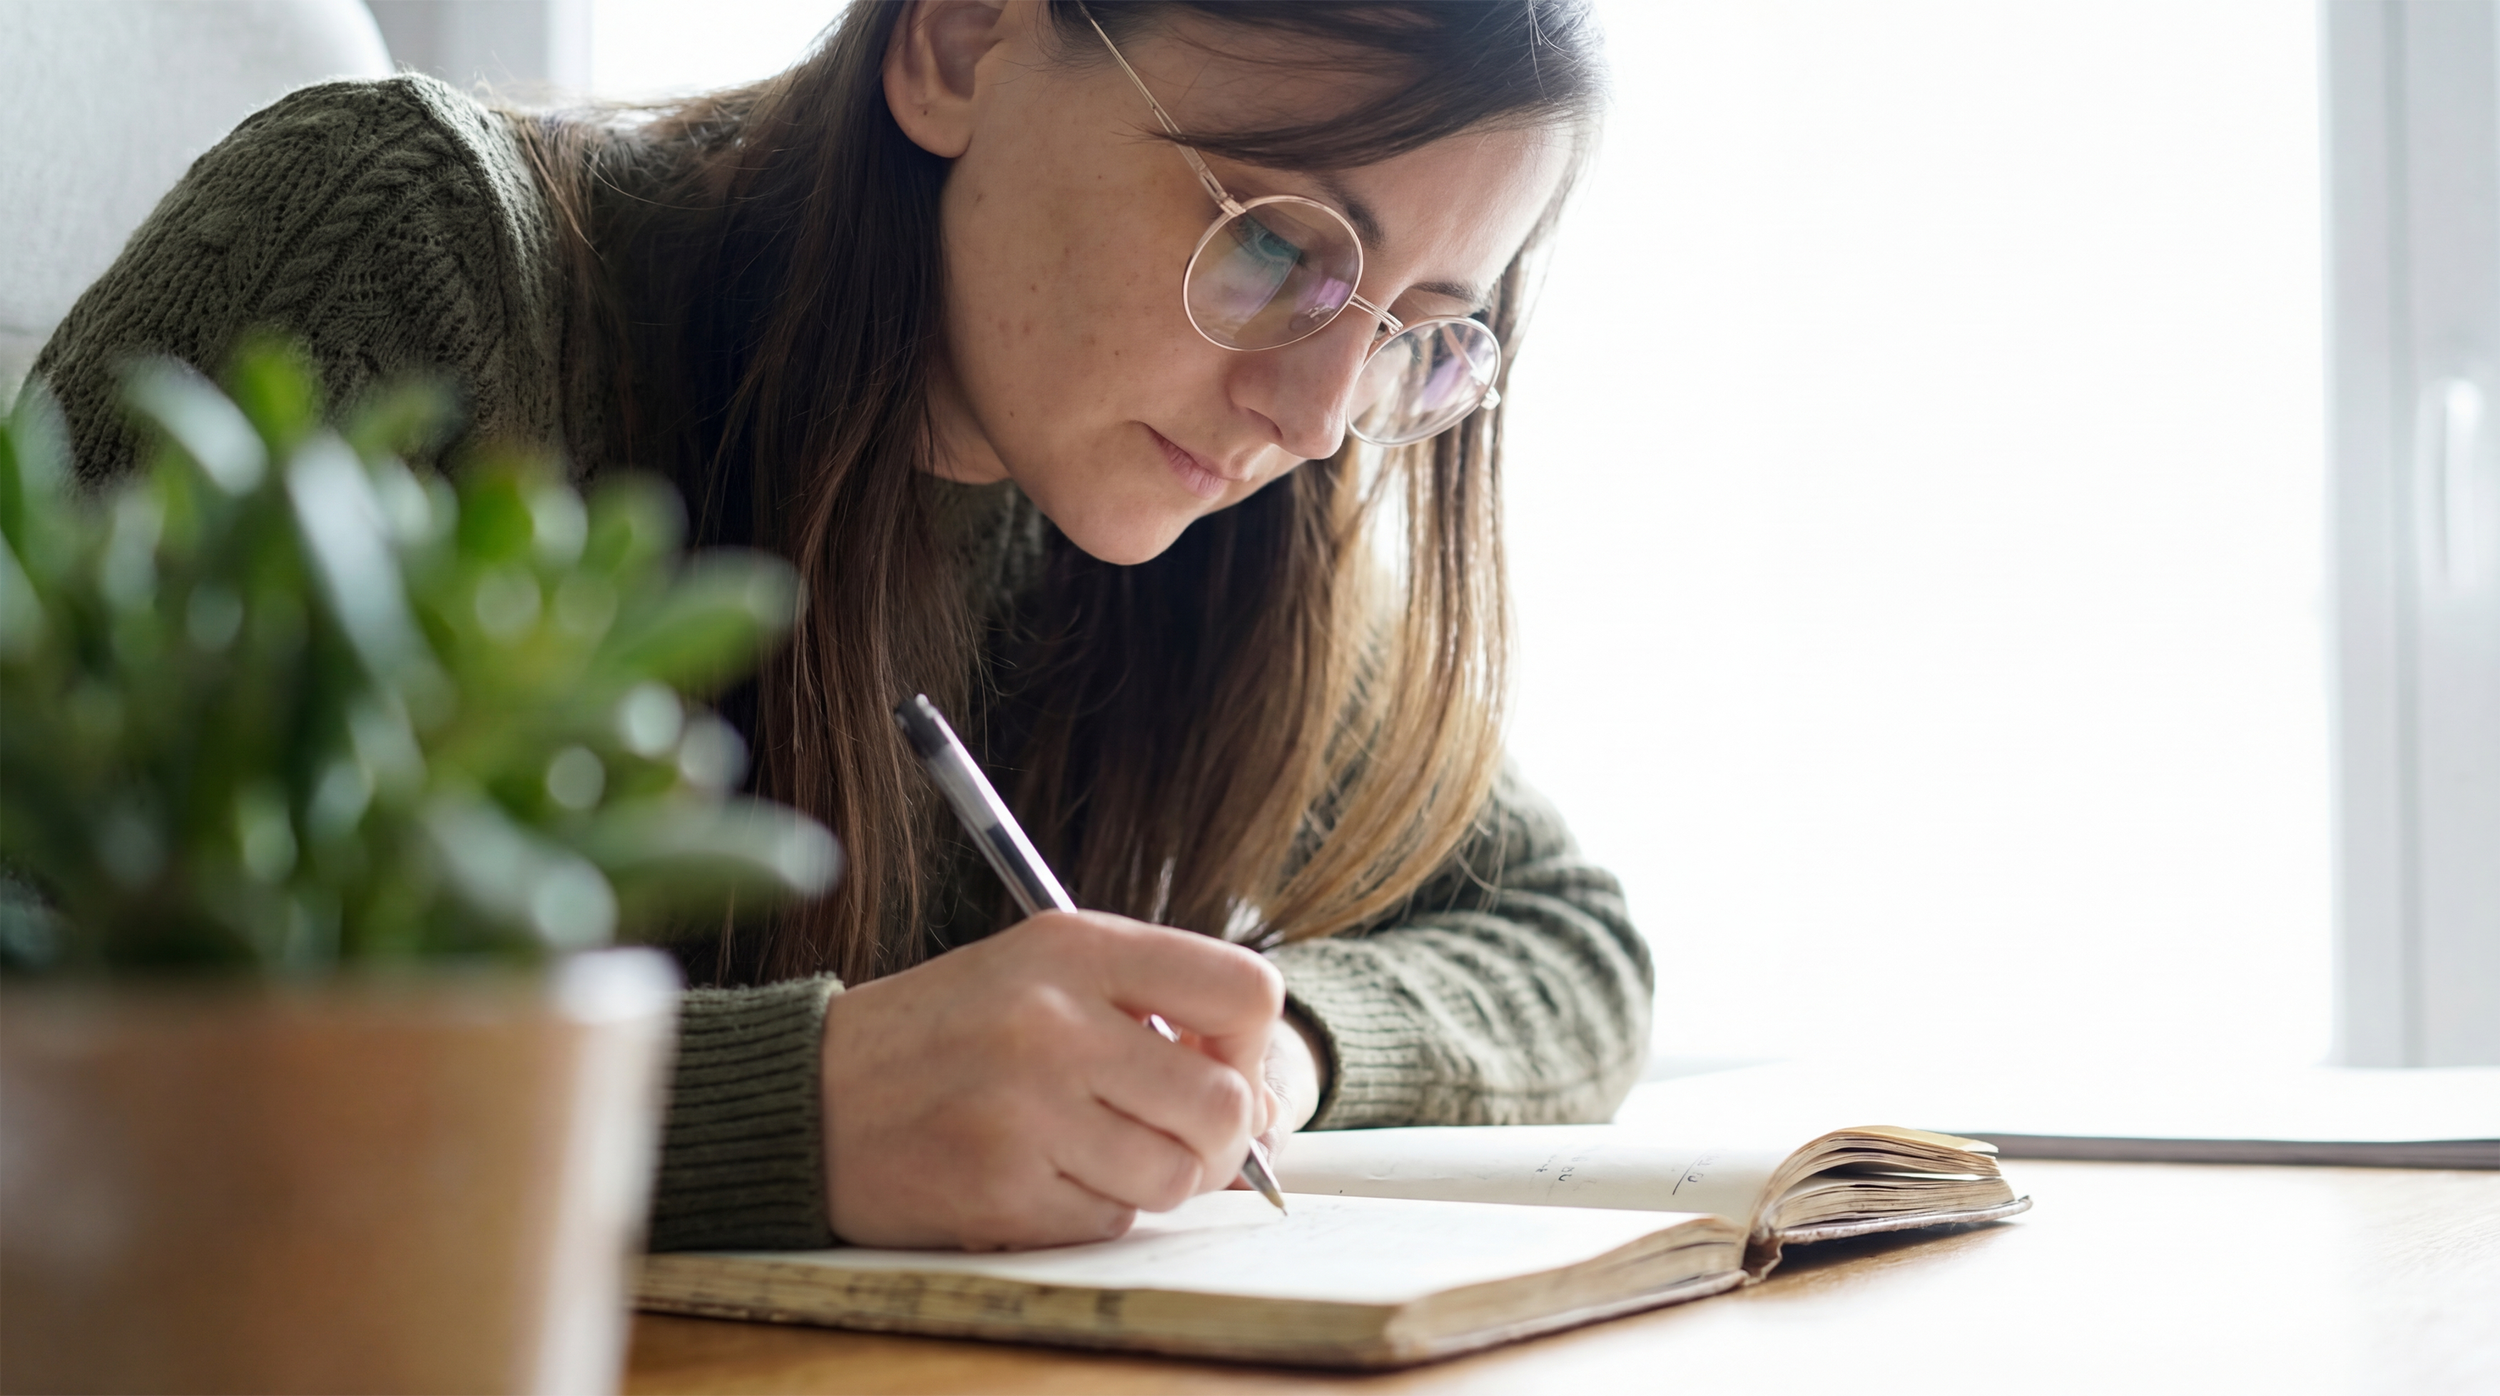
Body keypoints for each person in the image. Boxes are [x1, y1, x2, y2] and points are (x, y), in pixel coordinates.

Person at [30, 0, 1648, 1252]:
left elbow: (1566, 935)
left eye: (1417, 339)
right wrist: (792, 1112)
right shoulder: (417, 254)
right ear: (958, 43)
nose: (1313, 411)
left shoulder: (1208, 519)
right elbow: (65, 1055)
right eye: (1281, 243)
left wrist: (1264, 1057)